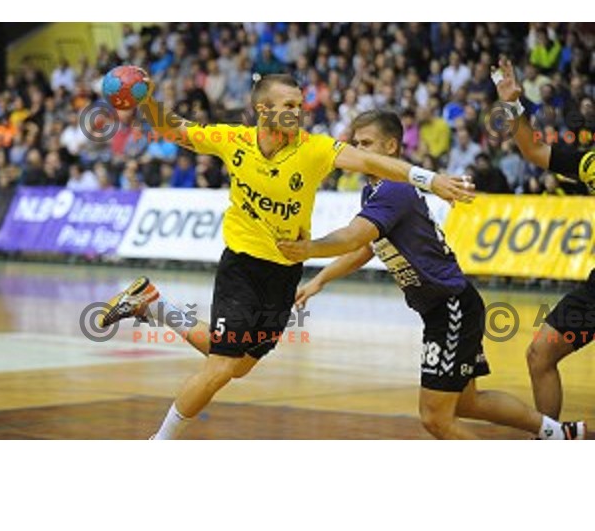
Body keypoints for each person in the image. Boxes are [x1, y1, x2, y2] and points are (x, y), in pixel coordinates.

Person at [100, 73, 475, 440]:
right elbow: (175, 131)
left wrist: (430, 179)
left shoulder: (315, 148)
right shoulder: (233, 140)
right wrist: (147, 101)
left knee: (239, 366)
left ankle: (153, 304)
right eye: (289, 105)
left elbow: (372, 164)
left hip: (284, 275)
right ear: (263, 109)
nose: (299, 112)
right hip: (242, 266)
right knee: (222, 365)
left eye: (301, 104)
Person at [276, 109, 585, 440]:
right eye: (355, 143)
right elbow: (366, 247)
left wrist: (309, 248)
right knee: (466, 403)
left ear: (392, 146)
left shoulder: (393, 189)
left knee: (435, 418)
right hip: (452, 306)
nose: (357, 151)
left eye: (366, 143)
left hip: (450, 308)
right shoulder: (375, 190)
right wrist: (320, 280)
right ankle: (559, 433)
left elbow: (352, 236)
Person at [492, 56, 595, 419]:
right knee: (540, 354)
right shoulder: (591, 162)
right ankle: (551, 437)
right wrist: (513, 104)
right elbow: (533, 150)